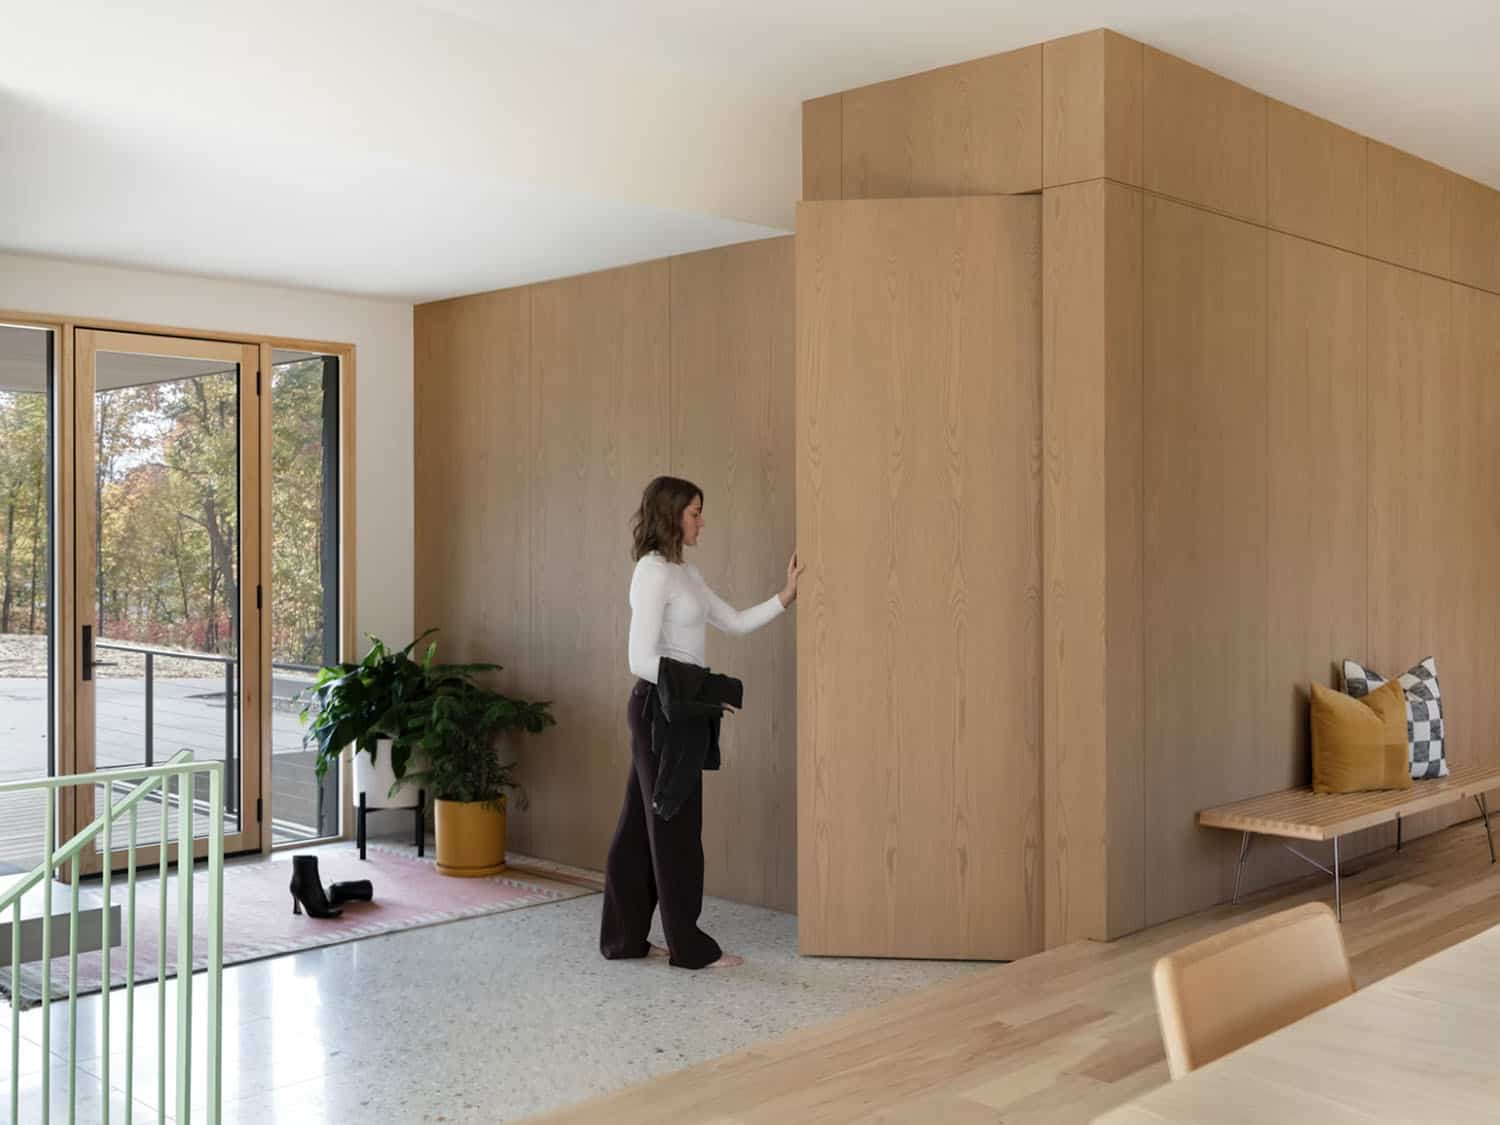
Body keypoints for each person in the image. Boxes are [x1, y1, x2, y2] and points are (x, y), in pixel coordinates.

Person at [599, 476, 802, 969]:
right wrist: (704, 688)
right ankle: (688, 947)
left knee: (637, 828)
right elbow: (639, 658)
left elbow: (731, 620)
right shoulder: (652, 573)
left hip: (678, 711)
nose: (702, 521)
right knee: (675, 829)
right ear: (671, 515)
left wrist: (786, 596)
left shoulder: (685, 574)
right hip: (659, 712)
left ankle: (623, 939)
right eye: (694, 512)